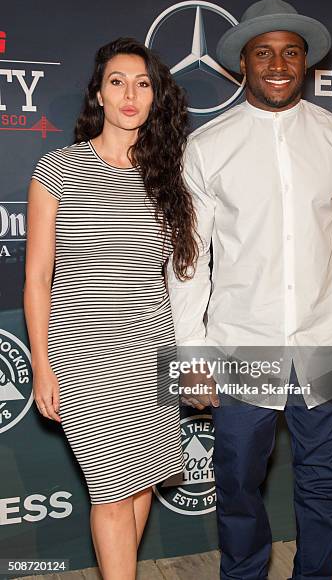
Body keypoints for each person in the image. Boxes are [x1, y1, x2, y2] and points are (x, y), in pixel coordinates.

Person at [167, 0, 332, 580]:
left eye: (291, 52)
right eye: (264, 53)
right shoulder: (208, 145)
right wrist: (192, 353)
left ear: (306, 62)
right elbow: (187, 259)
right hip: (244, 343)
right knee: (237, 483)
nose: (278, 63)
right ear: (243, 64)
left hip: (330, 339)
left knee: (327, 481)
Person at [24, 37, 197, 580]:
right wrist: (42, 362)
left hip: (153, 351)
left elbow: (182, 274)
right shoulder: (59, 168)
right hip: (86, 354)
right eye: (117, 82)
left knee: (143, 481)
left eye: (142, 84)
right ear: (98, 94)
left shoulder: (170, 174)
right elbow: (36, 278)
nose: (130, 94)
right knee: (112, 492)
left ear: (154, 97)